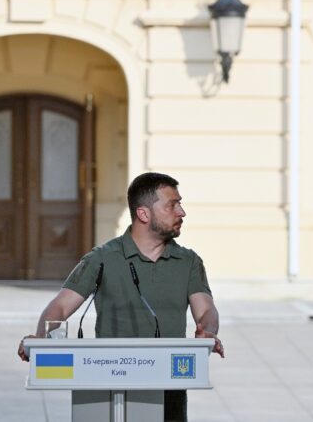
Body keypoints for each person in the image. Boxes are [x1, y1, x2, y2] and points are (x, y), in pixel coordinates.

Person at [18, 172, 224, 422]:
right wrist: (41, 340)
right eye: (172, 205)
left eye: (180, 204)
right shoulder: (102, 258)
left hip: (168, 384)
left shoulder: (189, 261)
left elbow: (206, 311)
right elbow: (60, 308)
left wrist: (208, 331)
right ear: (144, 214)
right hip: (108, 384)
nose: (181, 212)